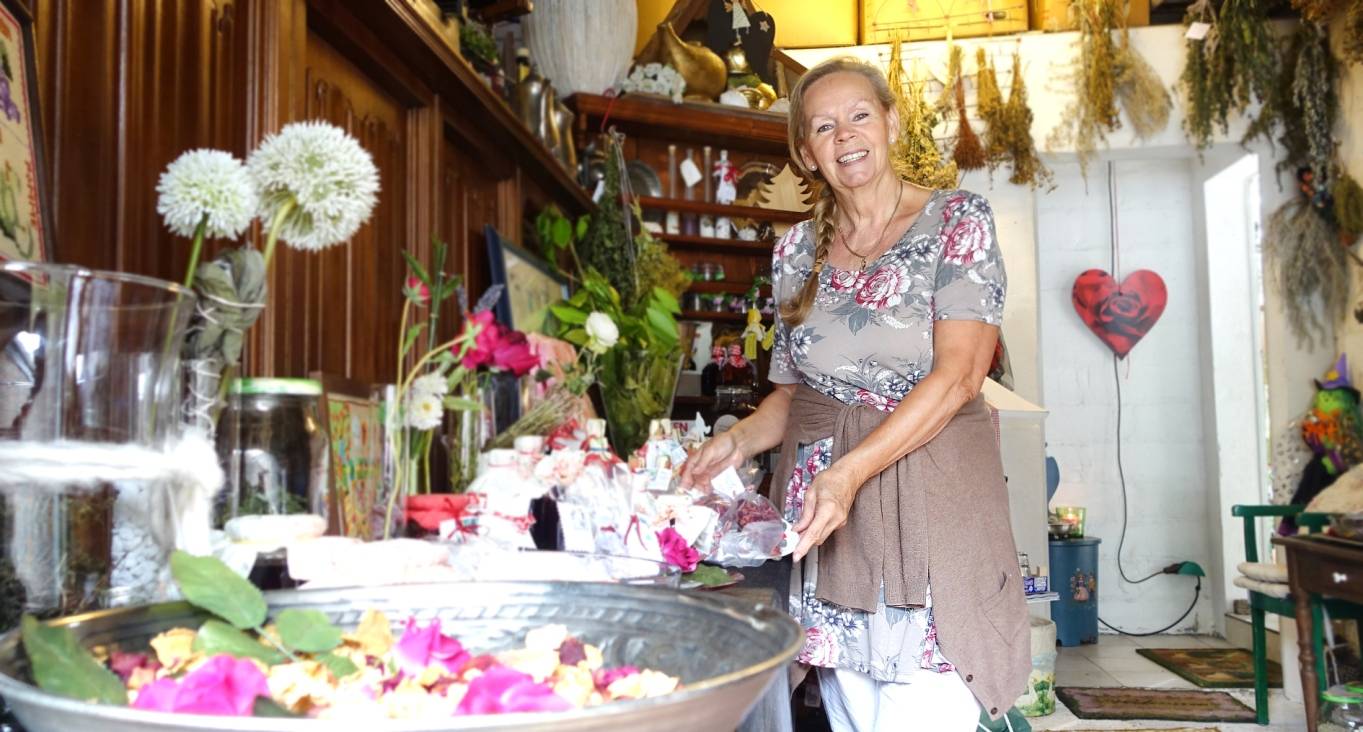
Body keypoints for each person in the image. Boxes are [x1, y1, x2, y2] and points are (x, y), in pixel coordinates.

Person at [680, 57, 1029, 731]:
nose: (844, 136)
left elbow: (959, 375)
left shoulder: (956, 220)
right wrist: (732, 441)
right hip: (827, 520)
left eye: (859, 115)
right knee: (850, 706)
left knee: (922, 701)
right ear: (805, 153)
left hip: (928, 499)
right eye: (823, 126)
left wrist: (847, 474)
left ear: (892, 123)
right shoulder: (794, 253)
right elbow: (794, 396)